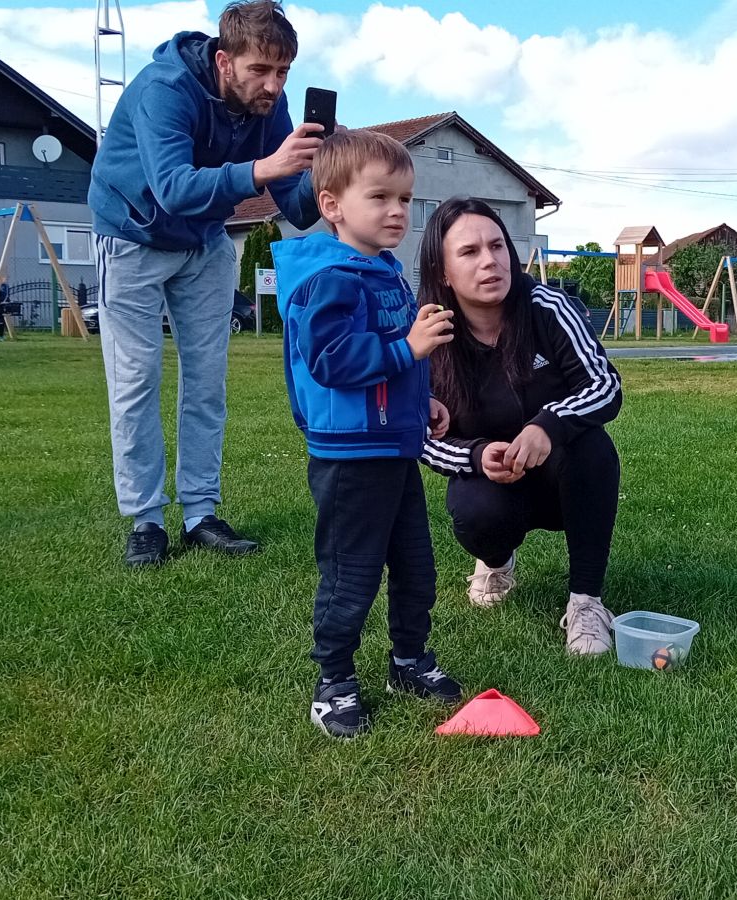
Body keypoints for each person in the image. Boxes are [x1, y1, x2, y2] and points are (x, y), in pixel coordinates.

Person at [89, 0, 327, 567]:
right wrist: (263, 169)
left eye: (283, 72)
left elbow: (295, 207)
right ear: (224, 61)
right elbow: (172, 187)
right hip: (133, 234)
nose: (273, 86)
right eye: (260, 70)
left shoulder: (270, 106)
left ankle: (200, 514)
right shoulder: (165, 89)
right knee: (136, 381)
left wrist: (324, 171)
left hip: (203, 241)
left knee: (206, 382)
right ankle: (146, 520)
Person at [273, 130, 462, 739]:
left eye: (405, 199)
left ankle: (408, 661)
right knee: (351, 574)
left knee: (416, 566)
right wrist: (409, 348)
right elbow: (331, 361)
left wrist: (420, 399)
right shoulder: (330, 277)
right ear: (331, 205)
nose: (397, 211)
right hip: (350, 458)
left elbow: (389, 360)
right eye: (379, 197)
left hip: (394, 448)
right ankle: (333, 682)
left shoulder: (382, 271)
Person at [418, 198, 625, 656]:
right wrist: (476, 455)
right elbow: (419, 435)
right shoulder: (429, 336)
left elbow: (605, 385)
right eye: (469, 252)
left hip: (563, 476)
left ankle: (586, 601)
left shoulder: (548, 307)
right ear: (443, 272)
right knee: (475, 513)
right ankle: (495, 561)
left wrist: (548, 425)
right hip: (492, 484)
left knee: (593, 449)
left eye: (497, 246)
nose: (490, 261)